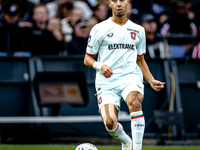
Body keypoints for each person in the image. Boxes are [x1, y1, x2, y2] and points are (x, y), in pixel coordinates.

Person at [83, 0, 165, 150]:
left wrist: (151, 79)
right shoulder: (99, 29)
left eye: (122, 0)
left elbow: (140, 60)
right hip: (107, 81)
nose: (118, 4)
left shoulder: (138, 30)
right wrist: (100, 65)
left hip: (130, 77)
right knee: (109, 122)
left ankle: (137, 149)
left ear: (128, 2)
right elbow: (87, 58)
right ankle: (127, 142)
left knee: (135, 103)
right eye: (115, 0)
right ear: (110, 3)